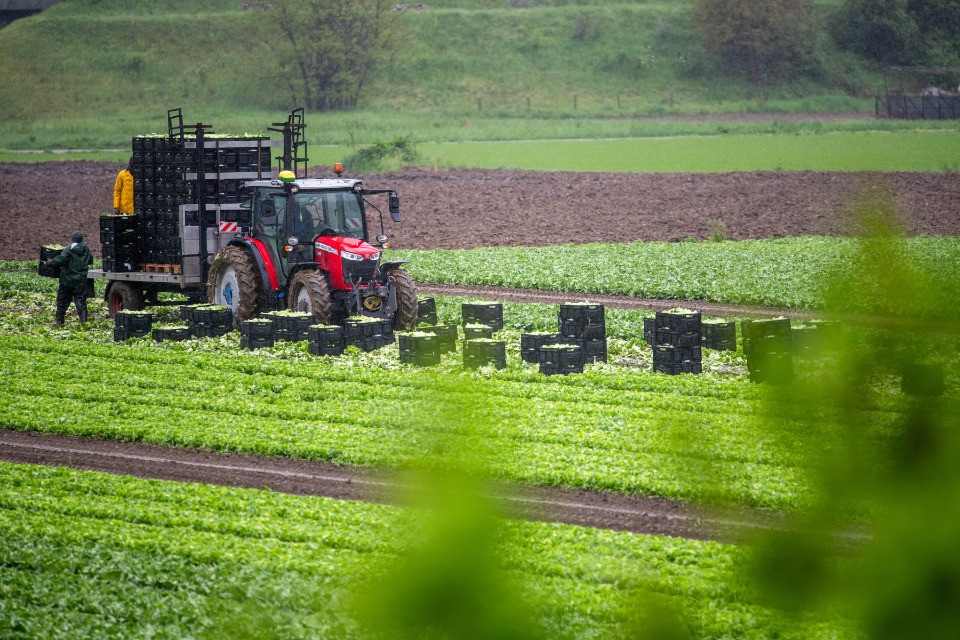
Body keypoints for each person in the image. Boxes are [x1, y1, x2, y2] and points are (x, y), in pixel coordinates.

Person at [47, 230, 94, 326]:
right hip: (80, 281)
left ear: (73, 239)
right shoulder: (86, 249)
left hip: (67, 280)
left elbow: (60, 260)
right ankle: (84, 322)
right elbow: (90, 260)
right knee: (80, 300)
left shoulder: (69, 248)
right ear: (81, 239)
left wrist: (50, 262)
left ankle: (59, 321)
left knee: (62, 300)